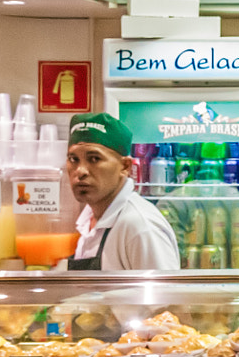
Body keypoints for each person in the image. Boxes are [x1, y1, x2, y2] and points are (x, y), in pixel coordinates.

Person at [63, 112, 179, 273]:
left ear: (125, 167)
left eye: (94, 159)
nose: (80, 171)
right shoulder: (90, 219)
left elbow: (166, 296)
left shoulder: (140, 227)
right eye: (73, 159)